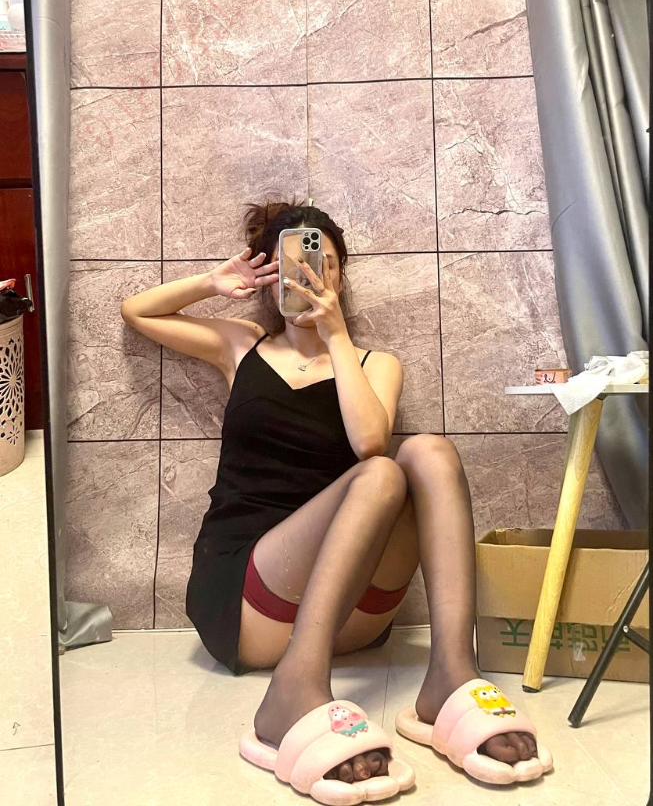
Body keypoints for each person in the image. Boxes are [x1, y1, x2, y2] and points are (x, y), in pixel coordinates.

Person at [120, 197, 550, 795]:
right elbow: (136, 311)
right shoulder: (242, 346)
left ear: (340, 276)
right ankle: (294, 687)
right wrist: (215, 282)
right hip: (248, 598)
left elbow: (370, 440)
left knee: (426, 452)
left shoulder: (376, 363)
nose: (305, 276)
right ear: (270, 276)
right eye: (289, 264)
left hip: (348, 613)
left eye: (320, 264)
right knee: (380, 477)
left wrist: (335, 334)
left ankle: (451, 674)